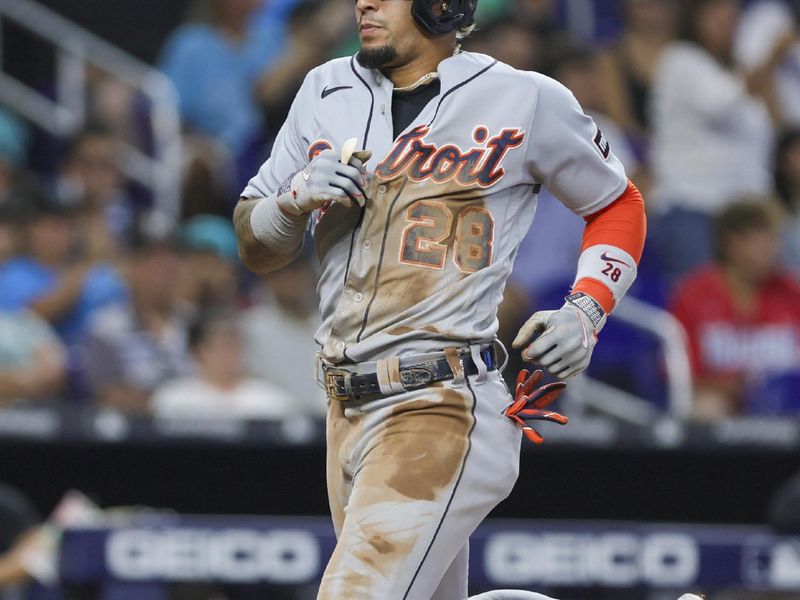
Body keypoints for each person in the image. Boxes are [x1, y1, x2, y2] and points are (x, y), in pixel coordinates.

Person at [233, 0, 652, 598]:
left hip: (440, 404)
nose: (363, 3)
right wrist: (288, 203)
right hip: (344, 407)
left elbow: (616, 202)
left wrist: (585, 310)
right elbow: (255, 245)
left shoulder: (523, 98)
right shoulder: (324, 89)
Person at [649, 0, 793, 282]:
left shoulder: (739, 72)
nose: (727, 23)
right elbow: (721, 105)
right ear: (695, 19)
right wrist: (772, 57)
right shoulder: (680, 58)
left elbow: (773, 129)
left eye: (731, 17)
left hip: (747, 213)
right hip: (693, 208)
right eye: (716, 15)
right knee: (701, 307)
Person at [669, 200, 800, 420]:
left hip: (786, 405)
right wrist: (733, 388)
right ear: (730, 241)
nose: (772, 248)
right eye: (761, 239)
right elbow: (678, 374)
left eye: (773, 239)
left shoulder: (791, 292)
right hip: (719, 403)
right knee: (706, 409)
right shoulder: (693, 295)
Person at [83, 232, 191, 414]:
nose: (165, 269)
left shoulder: (195, 321)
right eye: (153, 261)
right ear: (131, 268)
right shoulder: (106, 326)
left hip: (197, 433)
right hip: (134, 435)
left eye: (170, 260)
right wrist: (168, 404)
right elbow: (109, 394)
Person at [152, 310, 296, 419]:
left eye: (235, 344)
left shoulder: (272, 401)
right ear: (196, 351)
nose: (228, 352)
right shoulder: (174, 401)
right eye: (221, 345)